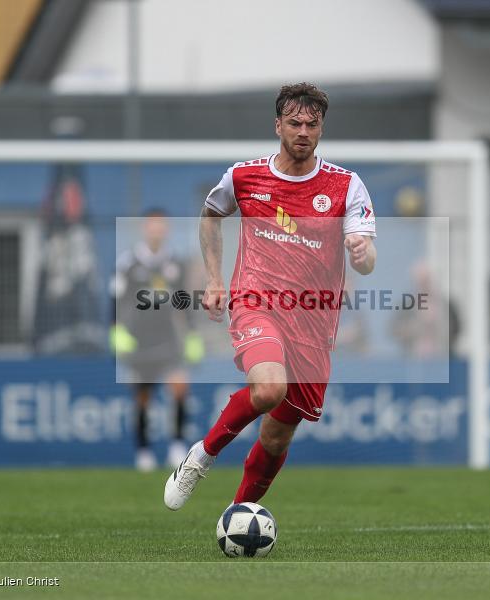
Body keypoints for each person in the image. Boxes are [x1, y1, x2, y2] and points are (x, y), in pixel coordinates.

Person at [163, 82, 377, 510]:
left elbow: (366, 260)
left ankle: (239, 514)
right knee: (268, 388)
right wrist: (215, 280)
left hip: (314, 322)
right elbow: (210, 217)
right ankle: (201, 456)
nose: (303, 131)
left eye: (312, 124)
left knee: (277, 436)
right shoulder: (243, 176)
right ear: (278, 125)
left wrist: (362, 252)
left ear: (321, 129)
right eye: (295, 123)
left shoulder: (346, 186)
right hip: (256, 301)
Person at [112, 208, 201, 471]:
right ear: (144, 228)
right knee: (142, 398)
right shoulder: (128, 263)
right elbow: (114, 299)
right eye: (152, 224)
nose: (157, 229)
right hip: (139, 339)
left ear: (167, 229)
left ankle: (177, 445)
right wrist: (116, 331)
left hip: (168, 337)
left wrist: (192, 334)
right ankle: (143, 451)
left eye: (161, 225)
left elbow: (185, 302)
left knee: (179, 388)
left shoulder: (176, 263)